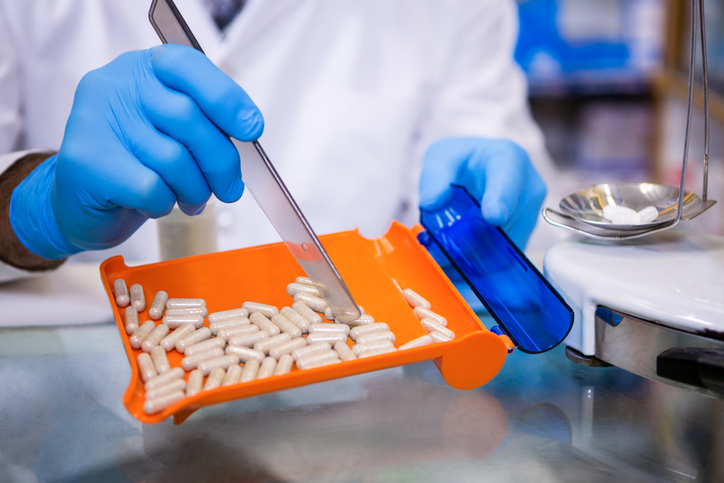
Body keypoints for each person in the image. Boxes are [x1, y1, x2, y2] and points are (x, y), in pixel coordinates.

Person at [0, 0, 554, 284]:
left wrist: (481, 230)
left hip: (355, 423)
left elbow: (500, 162)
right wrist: (33, 212)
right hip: (86, 403)